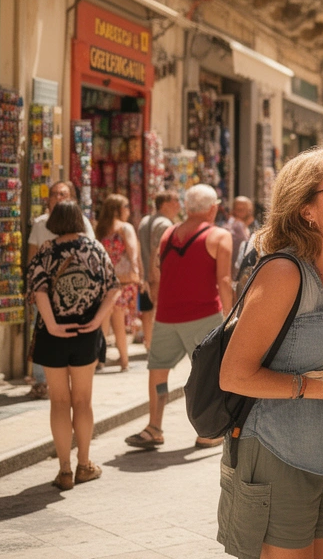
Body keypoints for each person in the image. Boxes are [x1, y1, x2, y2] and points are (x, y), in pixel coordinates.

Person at [217, 144, 323, 559]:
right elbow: (234, 374)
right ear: (306, 209)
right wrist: (309, 386)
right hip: (280, 454)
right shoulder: (283, 272)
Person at [125, 184, 233, 450]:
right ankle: (208, 432)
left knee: (158, 373)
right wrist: (230, 315)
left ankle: (154, 427)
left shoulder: (168, 234)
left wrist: (160, 305)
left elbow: (155, 274)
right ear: (212, 208)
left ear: (186, 207)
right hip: (205, 315)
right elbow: (224, 280)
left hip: (167, 316)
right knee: (208, 374)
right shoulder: (219, 236)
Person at [28, 201, 122, 489]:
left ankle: (64, 470)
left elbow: (38, 289)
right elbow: (114, 288)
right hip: (85, 332)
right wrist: (96, 321)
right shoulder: (95, 248)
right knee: (82, 401)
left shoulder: (46, 250)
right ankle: (84, 464)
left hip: (52, 333)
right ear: (80, 220)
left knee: (59, 401)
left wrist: (53, 324)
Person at [27, 180, 99, 399]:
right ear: (48, 199)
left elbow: (92, 258)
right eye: (54, 194)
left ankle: (67, 377)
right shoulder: (40, 224)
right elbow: (31, 257)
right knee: (42, 331)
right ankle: (41, 381)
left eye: (63, 194)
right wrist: (30, 285)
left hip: (74, 294)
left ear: (72, 199)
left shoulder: (83, 223)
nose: (58, 198)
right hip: (45, 293)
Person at [95, 194, 140, 373]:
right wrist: (136, 273)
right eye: (126, 206)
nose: (128, 210)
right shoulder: (125, 228)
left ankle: (99, 360)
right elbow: (132, 253)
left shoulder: (100, 229)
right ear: (117, 209)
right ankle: (124, 361)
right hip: (122, 281)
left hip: (104, 280)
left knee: (103, 321)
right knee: (119, 323)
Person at [137, 191, 180, 350]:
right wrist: (155, 274)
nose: (178, 205)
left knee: (147, 309)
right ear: (164, 204)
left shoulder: (145, 220)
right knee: (160, 309)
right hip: (158, 274)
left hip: (147, 273)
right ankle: (158, 346)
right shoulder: (164, 224)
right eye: (175, 200)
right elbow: (157, 251)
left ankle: (149, 344)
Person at [225, 196, 255, 279]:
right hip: (236, 274)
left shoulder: (251, 226)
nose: (240, 213)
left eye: (243, 209)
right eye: (238, 209)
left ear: (249, 210)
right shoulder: (236, 226)